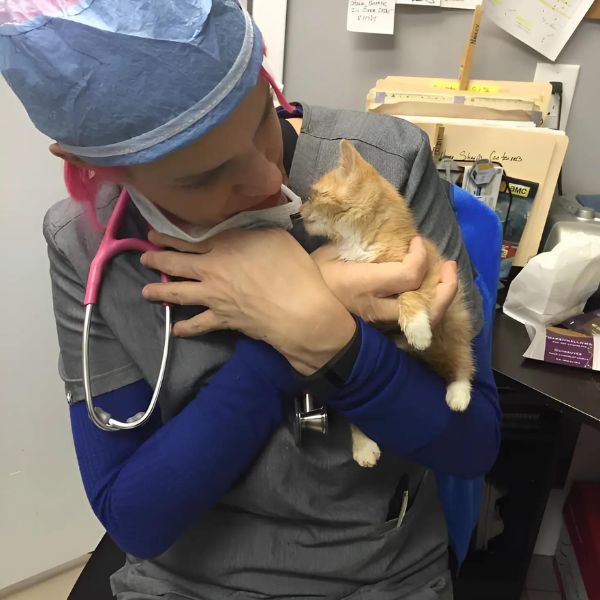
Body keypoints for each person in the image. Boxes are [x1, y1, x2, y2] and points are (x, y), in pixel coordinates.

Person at [1, 1, 500, 598]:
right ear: (93, 165)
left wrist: (327, 334)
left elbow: (471, 444)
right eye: (203, 177)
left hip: (377, 572)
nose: (270, 180)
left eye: (263, 115)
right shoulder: (83, 245)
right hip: (187, 580)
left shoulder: (384, 165)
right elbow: (136, 518)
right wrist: (280, 346)